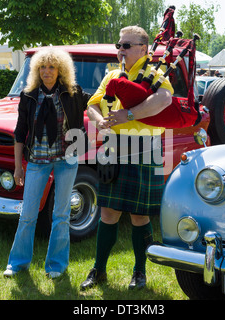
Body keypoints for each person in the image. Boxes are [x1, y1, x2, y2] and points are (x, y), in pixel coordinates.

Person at [80, 25, 173, 290]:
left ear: (143, 49)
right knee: (107, 212)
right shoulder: (112, 75)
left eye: (126, 45)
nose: (120, 50)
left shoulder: (155, 74)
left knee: (139, 215)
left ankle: (139, 272)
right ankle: (98, 270)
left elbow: (164, 100)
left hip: (144, 147)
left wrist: (128, 115)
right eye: (119, 45)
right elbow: (92, 104)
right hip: (113, 146)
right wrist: (99, 122)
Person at [4, 48, 91, 278]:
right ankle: (17, 263)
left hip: (66, 160)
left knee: (61, 215)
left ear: (60, 69)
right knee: (28, 214)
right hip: (37, 161)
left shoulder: (73, 93)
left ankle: (56, 266)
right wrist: (17, 166)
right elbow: (20, 132)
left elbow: (93, 105)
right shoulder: (29, 95)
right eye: (42, 67)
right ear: (36, 69)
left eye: (52, 67)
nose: (47, 71)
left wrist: (104, 117)